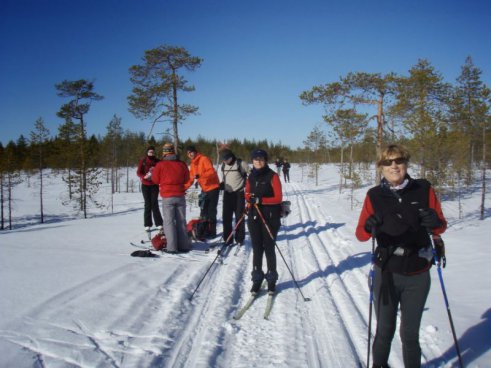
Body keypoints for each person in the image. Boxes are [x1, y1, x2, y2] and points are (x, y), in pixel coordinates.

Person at [355, 144, 447, 368]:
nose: (394, 166)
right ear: (381, 167)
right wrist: (369, 226)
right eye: (388, 162)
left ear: (406, 163)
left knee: (410, 334)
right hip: (386, 271)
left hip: (417, 272)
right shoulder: (374, 195)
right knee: (384, 330)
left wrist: (435, 222)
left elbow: (440, 225)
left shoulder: (423, 189)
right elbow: (360, 235)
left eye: (399, 161)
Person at [245, 148, 283, 293]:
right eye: (255, 159)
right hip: (254, 215)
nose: (258, 162)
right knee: (256, 248)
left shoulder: (272, 176)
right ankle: (257, 278)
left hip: (270, 217)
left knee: (269, 247)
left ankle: (271, 278)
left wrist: (261, 200)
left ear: (265, 161)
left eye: (261, 159)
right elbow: (247, 193)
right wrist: (249, 199)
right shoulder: (251, 176)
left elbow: (278, 198)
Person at [152, 143, 191, 253]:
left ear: (164, 152)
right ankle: (184, 246)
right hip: (180, 195)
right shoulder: (182, 164)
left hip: (167, 196)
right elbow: (187, 178)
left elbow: (155, 180)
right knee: (181, 221)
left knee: (169, 222)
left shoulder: (160, 165)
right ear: (173, 151)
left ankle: (172, 248)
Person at [184, 145, 220, 237]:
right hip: (204, 189)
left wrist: (200, 175)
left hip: (213, 187)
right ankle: (204, 230)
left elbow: (211, 172)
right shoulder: (192, 164)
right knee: (203, 211)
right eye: (188, 153)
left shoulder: (204, 159)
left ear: (195, 152)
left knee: (211, 211)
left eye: (191, 152)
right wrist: (183, 188)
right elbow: (191, 179)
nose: (190, 154)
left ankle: (212, 232)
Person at [220, 149, 250, 245]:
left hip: (239, 194)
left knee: (239, 217)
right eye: (223, 159)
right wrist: (222, 184)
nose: (225, 161)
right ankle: (227, 239)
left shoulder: (241, 163)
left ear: (231, 156)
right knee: (226, 218)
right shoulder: (223, 165)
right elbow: (224, 177)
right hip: (227, 194)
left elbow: (251, 174)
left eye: (226, 159)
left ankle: (240, 239)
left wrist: (250, 185)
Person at [136, 146, 163, 231]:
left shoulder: (158, 161)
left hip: (154, 185)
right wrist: (144, 176)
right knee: (147, 204)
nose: (151, 153)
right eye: (150, 152)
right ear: (147, 153)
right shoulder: (143, 161)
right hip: (145, 185)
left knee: (154, 204)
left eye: (152, 152)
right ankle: (147, 224)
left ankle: (159, 223)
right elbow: (138, 172)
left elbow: (162, 171)